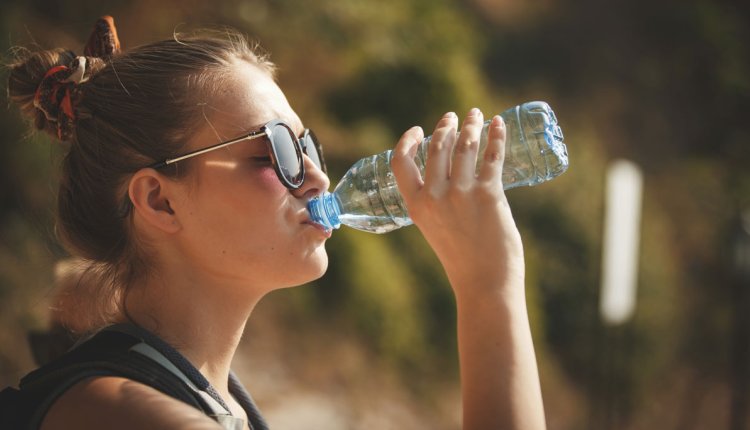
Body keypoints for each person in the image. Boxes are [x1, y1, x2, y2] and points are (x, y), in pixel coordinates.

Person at [6, 15, 546, 430]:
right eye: (277, 152)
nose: (315, 176)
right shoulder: (123, 411)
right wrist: (488, 288)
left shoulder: (204, 397)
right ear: (159, 200)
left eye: (308, 145)